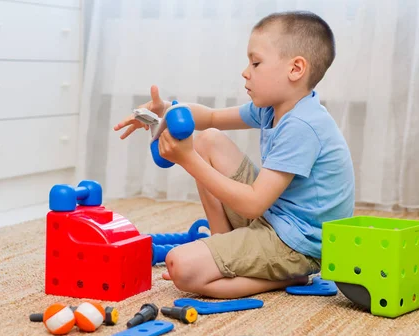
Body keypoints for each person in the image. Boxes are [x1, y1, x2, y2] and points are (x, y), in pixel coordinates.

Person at [114, 11, 354, 299]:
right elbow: (212, 117)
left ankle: (289, 276)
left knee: (181, 266)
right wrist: (166, 110)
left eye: (256, 62)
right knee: (209, 141)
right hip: (275, 217)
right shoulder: (273, 106)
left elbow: (253, 204)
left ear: (295, 69)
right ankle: (222, 243)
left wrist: (187, 159)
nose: (245, 71)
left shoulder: (303, 125)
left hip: (298, 245)